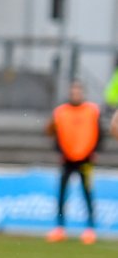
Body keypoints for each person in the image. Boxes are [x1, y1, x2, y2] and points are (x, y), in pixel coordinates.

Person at [45, 80, 101, 245]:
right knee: (62, 193)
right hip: (66, 158)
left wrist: (94, 151)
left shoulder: (91, 111)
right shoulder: (61, 112)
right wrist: (59, 151)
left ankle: (90, 230)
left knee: (87, 193)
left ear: (82, 93)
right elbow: (54, 133)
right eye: (73, 91)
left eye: (78, 91)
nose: (75, 94)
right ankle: (60, 228)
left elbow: (99, 133)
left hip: (85, 159)